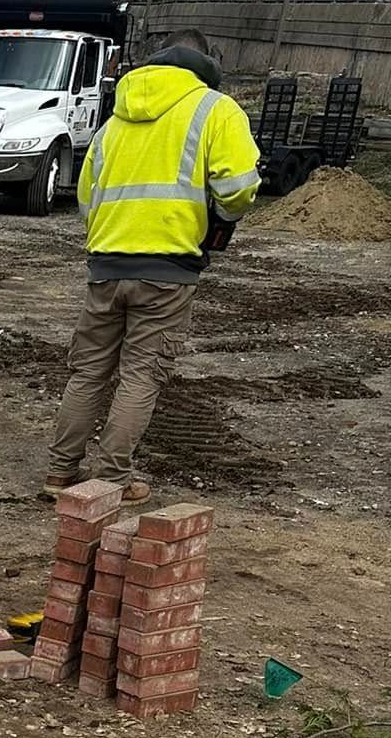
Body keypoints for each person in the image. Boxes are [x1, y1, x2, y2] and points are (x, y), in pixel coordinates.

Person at [43, 27, 261, 506]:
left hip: (106, 262)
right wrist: (218, 221)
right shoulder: (215, 110)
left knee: (88, 373)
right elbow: (240, 186)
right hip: (168, 268)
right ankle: (111, 479)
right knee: (141, 375)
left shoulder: (114, 119)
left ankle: (60, 472)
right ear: (206, 64)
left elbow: (86, 196)